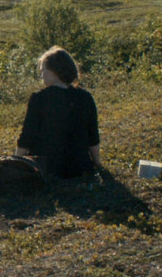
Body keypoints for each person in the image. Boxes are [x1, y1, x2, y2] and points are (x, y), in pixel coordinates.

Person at [15, 46, 101, 181]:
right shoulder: (85, 97)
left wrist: (16, 163)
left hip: (46, 167)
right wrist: (97, 163)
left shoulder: (39, 98)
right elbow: (93, 136)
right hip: (79, 167)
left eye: (43, 70)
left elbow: (27, 136)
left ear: (54, 71)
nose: (41, 75)